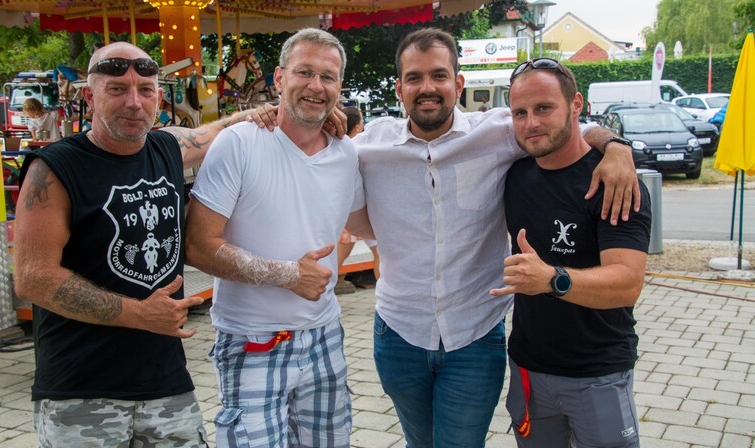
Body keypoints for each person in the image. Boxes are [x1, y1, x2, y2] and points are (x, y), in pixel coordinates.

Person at [250, 28, 640, 447]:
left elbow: (564, 125)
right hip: (398, 335)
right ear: (399, 88)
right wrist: (264, 115)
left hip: (474, 336)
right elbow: (310, 144)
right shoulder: (367, 148)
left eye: (438, 75)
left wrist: (618, 148)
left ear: (458, 82)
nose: (427, 88)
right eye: (414, 78)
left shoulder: (499, 132)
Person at [13, 41, 252, 447]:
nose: (133, 102)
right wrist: (139, 314)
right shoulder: (54, 169)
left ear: (158, 97)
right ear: (89, 96)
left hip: (166, 382)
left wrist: (299, 114)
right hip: (82, 393)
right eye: (117, 89)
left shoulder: (167, 148)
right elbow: (33, 278)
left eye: (145, 89)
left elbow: (222, 130)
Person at [184, 29, 371, 448]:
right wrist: (286, 274)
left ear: (340, 87)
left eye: (329, 76)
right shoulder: (239, 143)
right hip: (252, 339)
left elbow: (366, 223)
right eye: (304, 72)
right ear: (279, 78)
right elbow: (197, 244)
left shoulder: (345, 154)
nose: (316, 86)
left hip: (325, 337)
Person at [490, 59, 651, 447]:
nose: (531, 123)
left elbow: (627, 283)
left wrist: (551, 279)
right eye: (520, 113)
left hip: (597, 373)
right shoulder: (515, 173)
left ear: (576, 105)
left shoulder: (613, 181)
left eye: (544, 108)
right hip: (529, 368)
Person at [336, 105, 380, 294]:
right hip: (360, 213)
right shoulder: (359, 149)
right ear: (356, 127)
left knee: (339, 257)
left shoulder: (338, 146)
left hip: (350, 212)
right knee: (379, 255)